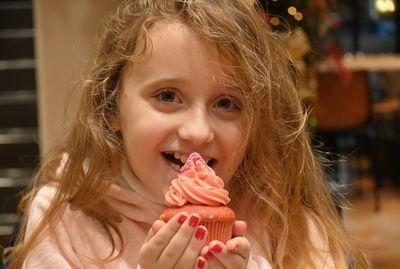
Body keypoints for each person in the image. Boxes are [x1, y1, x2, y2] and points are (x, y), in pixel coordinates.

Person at [6, 0, 369, 268]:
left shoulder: (280, 219)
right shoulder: (65, 220)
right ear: (112, 108)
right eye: (167, 96)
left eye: (226, 103)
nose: (197, 131)